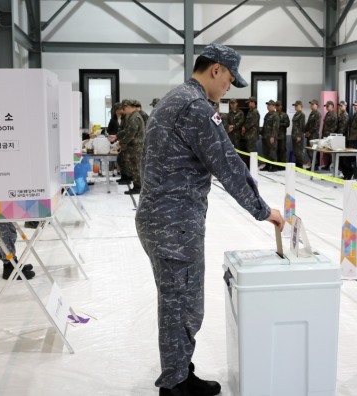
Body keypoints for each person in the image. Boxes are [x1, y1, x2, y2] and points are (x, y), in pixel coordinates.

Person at [135, 43, 284, 396]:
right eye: (230, 80)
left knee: (176, 302)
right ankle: (174, 384)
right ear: (215, 69)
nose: (228, 89)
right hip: (175, 224)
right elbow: (228, 164)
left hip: (159, 219)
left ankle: (180, 373)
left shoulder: (174, 98)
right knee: (181, 307)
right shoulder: (197, 108)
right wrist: (264, 211)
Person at [112, 99, 135, 185]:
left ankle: (128, 178)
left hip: (129, 143)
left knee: (126, 161)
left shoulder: (130, 117)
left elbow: (129, 132)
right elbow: (124, 130)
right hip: (124, 142)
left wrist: (121, 142)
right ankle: (124, 177)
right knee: (121, 160)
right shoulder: (125, 117)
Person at [261, 99, 279, 170]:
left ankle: (274, 166)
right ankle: (267, 165)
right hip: (265, 136)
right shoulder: (267, 115)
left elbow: (275, 127)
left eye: (269, 105)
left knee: (272, 151)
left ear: (273, 106)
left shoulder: (275, 115)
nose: (268, 106)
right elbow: (264, 125)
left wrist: (272, 136)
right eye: (267, 105)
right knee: (266, 151)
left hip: (271, 137)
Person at [304, 99, 321, 169]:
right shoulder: (311, 113)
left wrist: (309, 132)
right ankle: (312, 164)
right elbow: (308, 124)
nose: (311, 105)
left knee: (313, 151)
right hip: (309, 135)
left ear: (316, 105)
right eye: (311, 104)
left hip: (314, 135)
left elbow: (316, 126)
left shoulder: (317, 114)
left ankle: (315, 165)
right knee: (309, 150)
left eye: (312, 104)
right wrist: (305, 131)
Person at [322, 101, 337, 169]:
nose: (327, 107)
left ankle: (330, 165)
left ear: (332, 106)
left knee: (329, 151)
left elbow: (334, 126)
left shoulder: (333, 114)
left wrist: (331, 136)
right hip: (325, 134)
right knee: (326, 151)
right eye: (326, 106)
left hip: (330, 135)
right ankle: (327, 165)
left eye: (328, 106)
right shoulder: (328, 114)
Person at [290, 100, 306, 168]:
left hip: (298, 136)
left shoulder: (302, 115)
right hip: (294, 135)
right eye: (295, 106)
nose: (295, 107)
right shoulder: (295, 114)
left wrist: (299, 136)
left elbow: (302, 126)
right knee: (295, 151)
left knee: (299, 152)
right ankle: (297, 164)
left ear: (301, 106)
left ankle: (300, 165)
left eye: (296, 105)